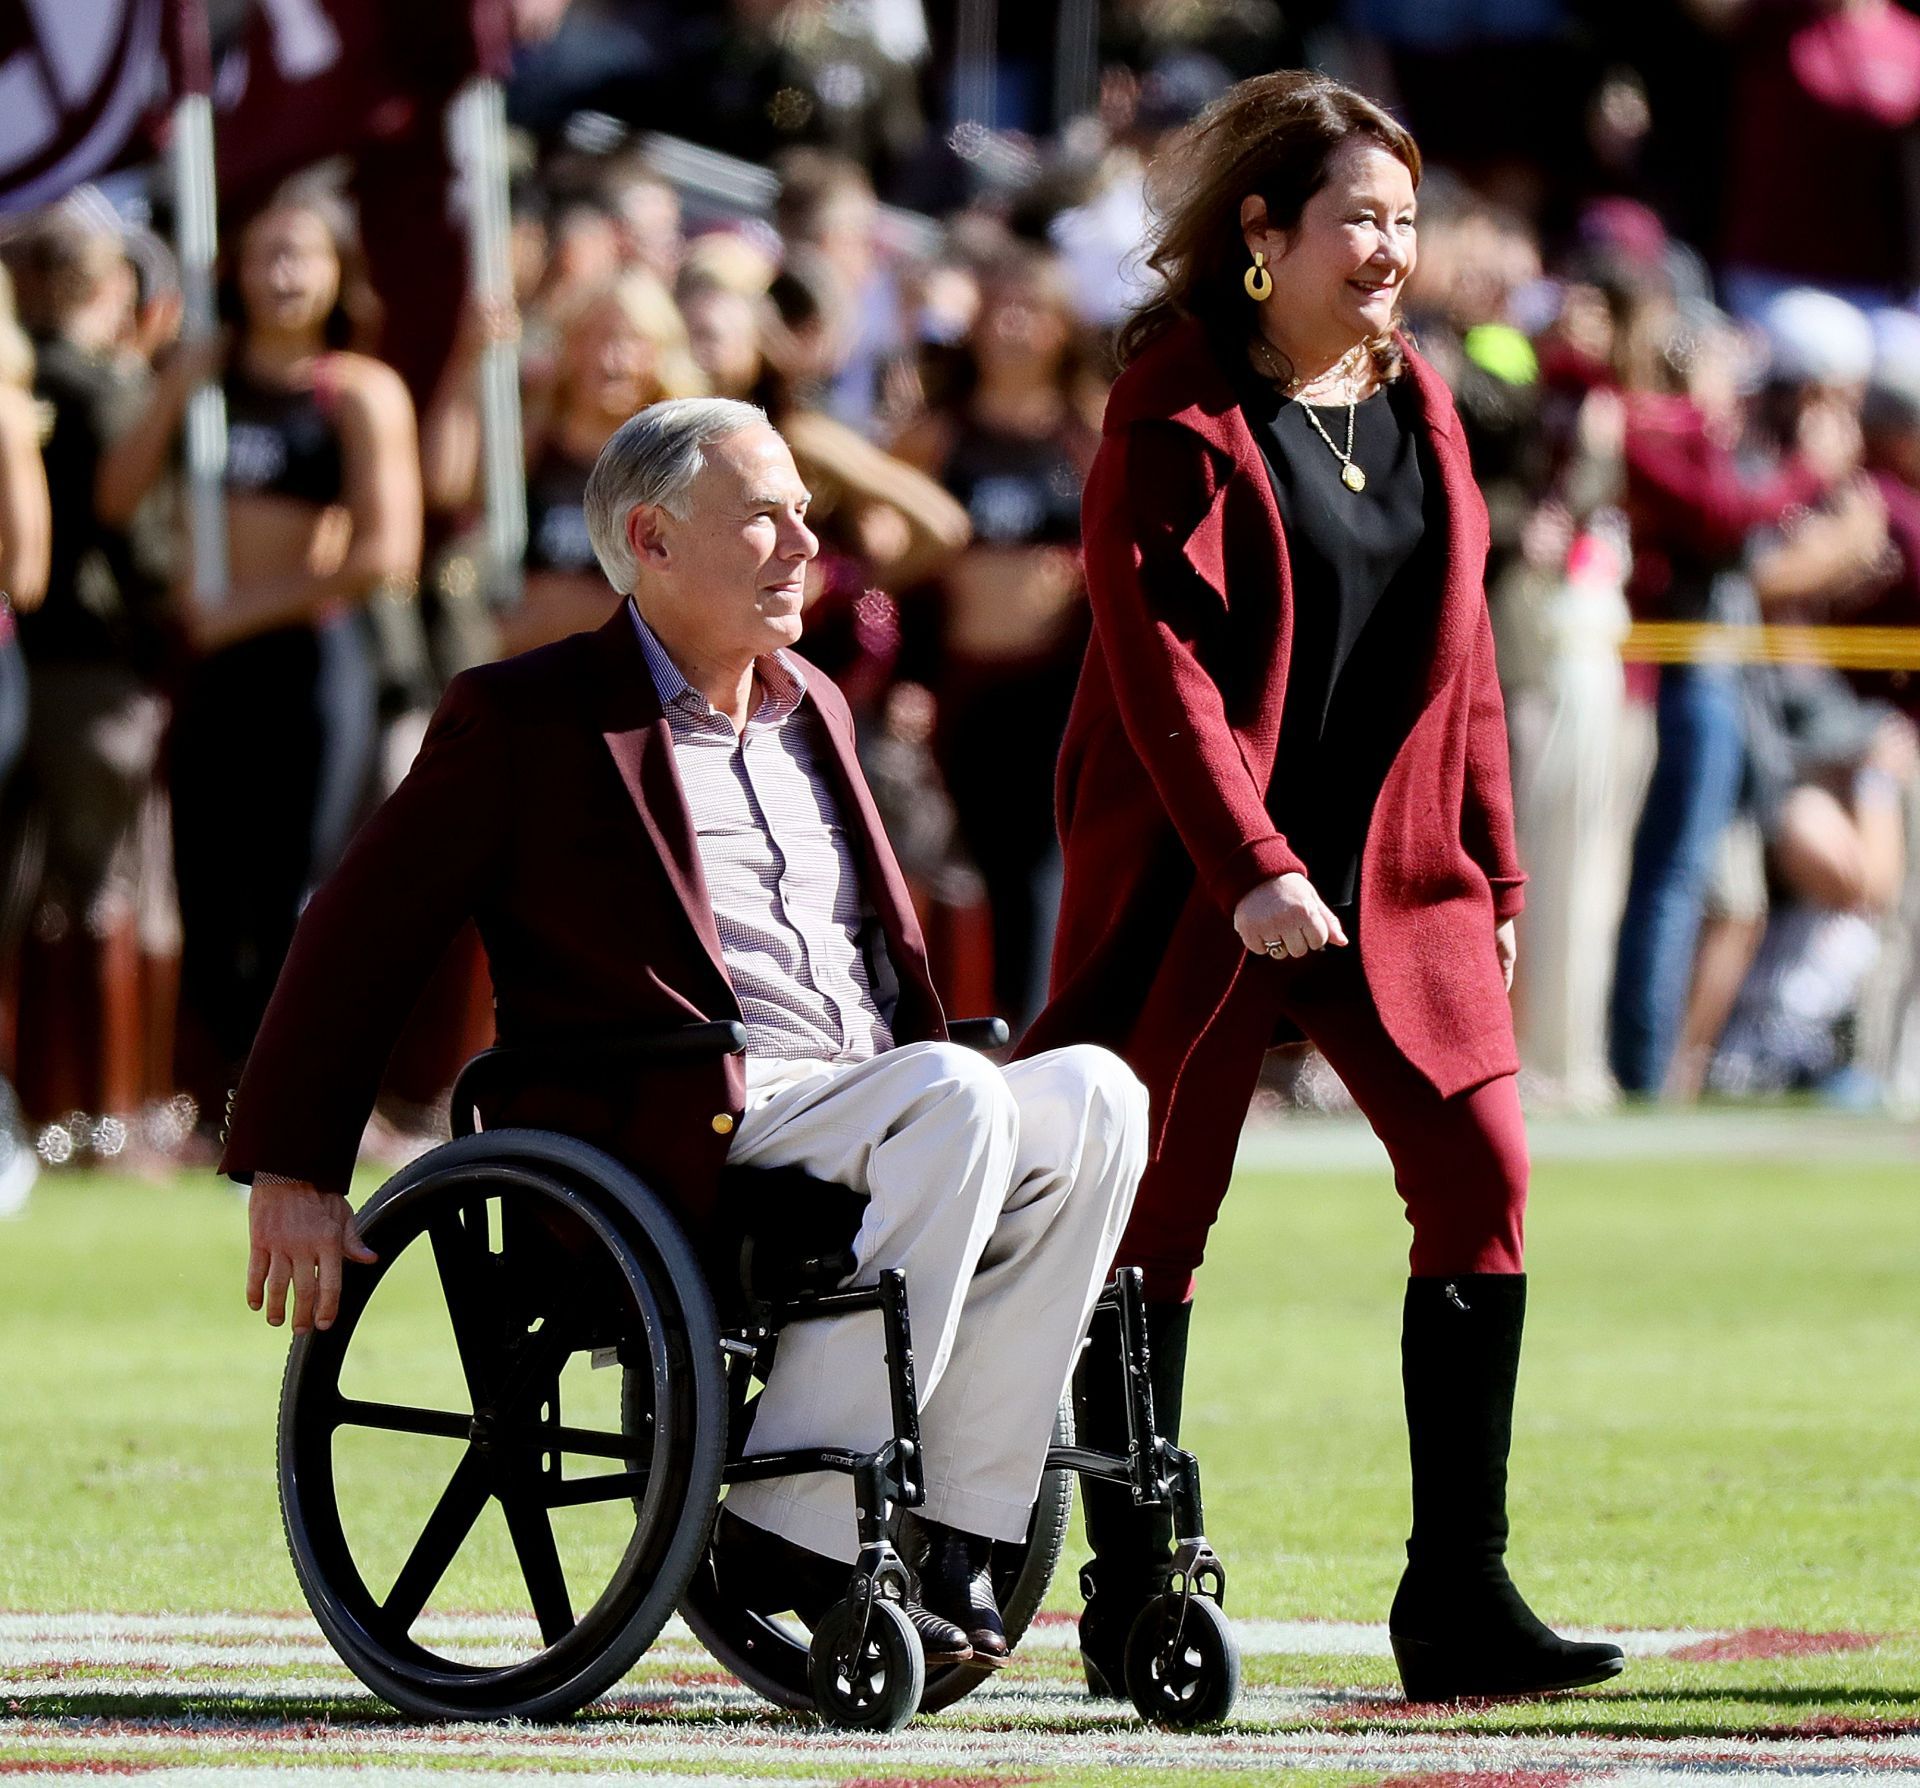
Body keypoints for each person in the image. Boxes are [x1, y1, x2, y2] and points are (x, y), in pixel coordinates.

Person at [220, 396, 1148, 1670]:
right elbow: (357, 931)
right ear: (650, 540)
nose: (802, 543)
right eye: (761, 516)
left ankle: (969, 1529)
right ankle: (784, 1526)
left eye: (805, 516)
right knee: (959, 1095)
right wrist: (295, 1167)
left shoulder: (816, 698)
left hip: (881, 1099)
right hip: (678, 1128)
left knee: (1099, 1093)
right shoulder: (529, 718)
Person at [1016, 70, 1625, 1704]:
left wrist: (1488, 855)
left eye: (1407, 220)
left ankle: (1459, 1591)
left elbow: (1467, 654)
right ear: (1262, 233)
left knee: (1483, 1172)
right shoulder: (1173, 401)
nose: (1390, 249)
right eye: (1359, 215)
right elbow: (1159, 675)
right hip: (1206, 875)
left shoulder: (1417, 396)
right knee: (1158, 1218)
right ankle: (1128, 1590)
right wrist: (1252, 865)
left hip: (1392, 870)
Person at [99, 186, 421, 1139]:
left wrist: (242, 610)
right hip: (214, 672)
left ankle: (313, 1101)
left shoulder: (355, 390)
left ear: (337, 274)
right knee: (207, 883)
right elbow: (117, 497)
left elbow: (385, 551)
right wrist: (174, 385)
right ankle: (232, 1096)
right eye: (265, 254)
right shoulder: (204, 379)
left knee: (299, 890)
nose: (282, 275)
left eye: (304, 256)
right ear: (231, 269)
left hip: (310, 665)